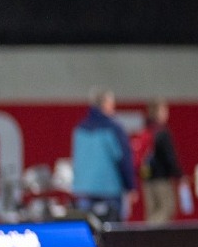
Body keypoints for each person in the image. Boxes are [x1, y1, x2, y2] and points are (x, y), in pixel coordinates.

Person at [71, 88, 136, 223]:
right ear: (105, 104)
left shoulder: (79, 128)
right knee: (113, 234)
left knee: (88, 230)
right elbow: (123, 159)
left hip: (84, 189)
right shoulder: (113, 128)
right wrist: (130, 186)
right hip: (109, 190)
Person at [137, 99, 181, 224]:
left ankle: (148, 238)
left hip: (147, 177)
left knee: (152, 210)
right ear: (158, 112)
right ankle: (150, 233)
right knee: (167, 208)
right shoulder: (162, 133)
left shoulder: (146, 130)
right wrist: (179, 175)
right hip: (162, 179)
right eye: (164, 110)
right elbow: (169, 157)